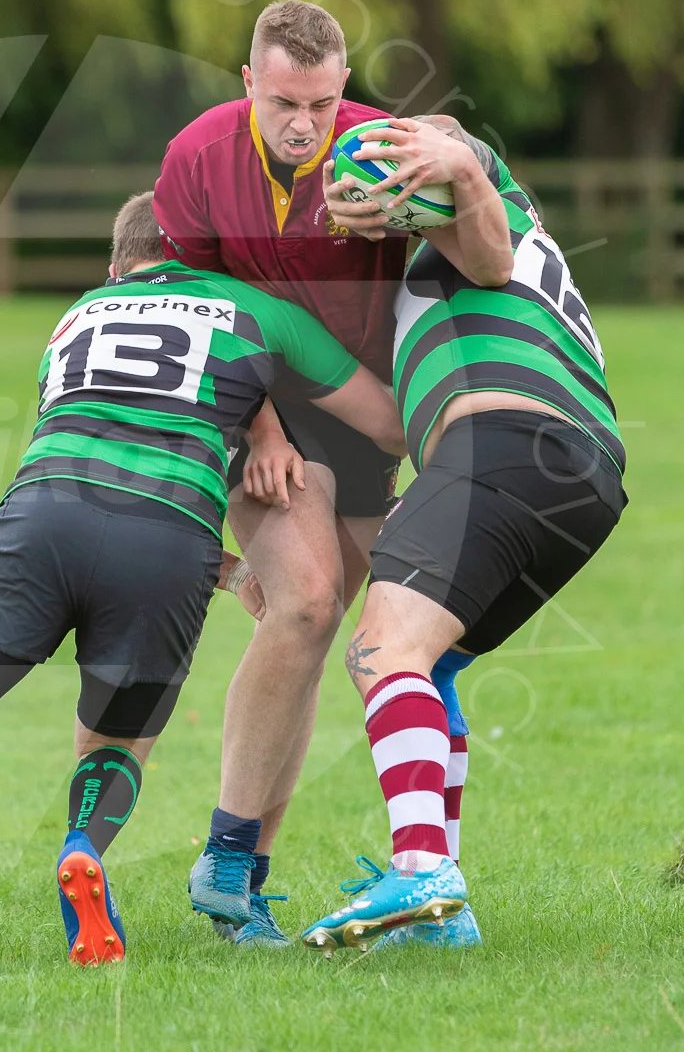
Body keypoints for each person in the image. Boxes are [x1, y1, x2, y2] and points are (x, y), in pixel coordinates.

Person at [0, 192, 405, 977]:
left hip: (38, 524)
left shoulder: (76, 319)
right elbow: (388, 422)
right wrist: (277, 439)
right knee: (114, 742)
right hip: (166, 547)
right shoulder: (252, 308)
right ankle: (83, 846)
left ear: (115, 265)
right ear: (197, 257)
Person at [261, 117, 627, 950]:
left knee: (381, 651)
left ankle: (424, 867)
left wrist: (454, 160)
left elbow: (480, 225)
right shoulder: (448, 258)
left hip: (504, 443)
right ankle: (442, 916)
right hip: (581, 477)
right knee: (434, 661)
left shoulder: (481, 214)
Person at [152, 0, 426, 946]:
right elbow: (195, 304)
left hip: (363, 407)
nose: (302, 124)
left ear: (343, 88)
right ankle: (226, 858)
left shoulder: (386, 153)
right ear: (248, 84)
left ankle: (244, 879)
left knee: (309, 634)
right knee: (306, 605)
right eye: (281, 102)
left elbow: (469, 248)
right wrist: (262, 427)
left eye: (319, 102)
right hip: (255, 402)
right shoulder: (194, 158)